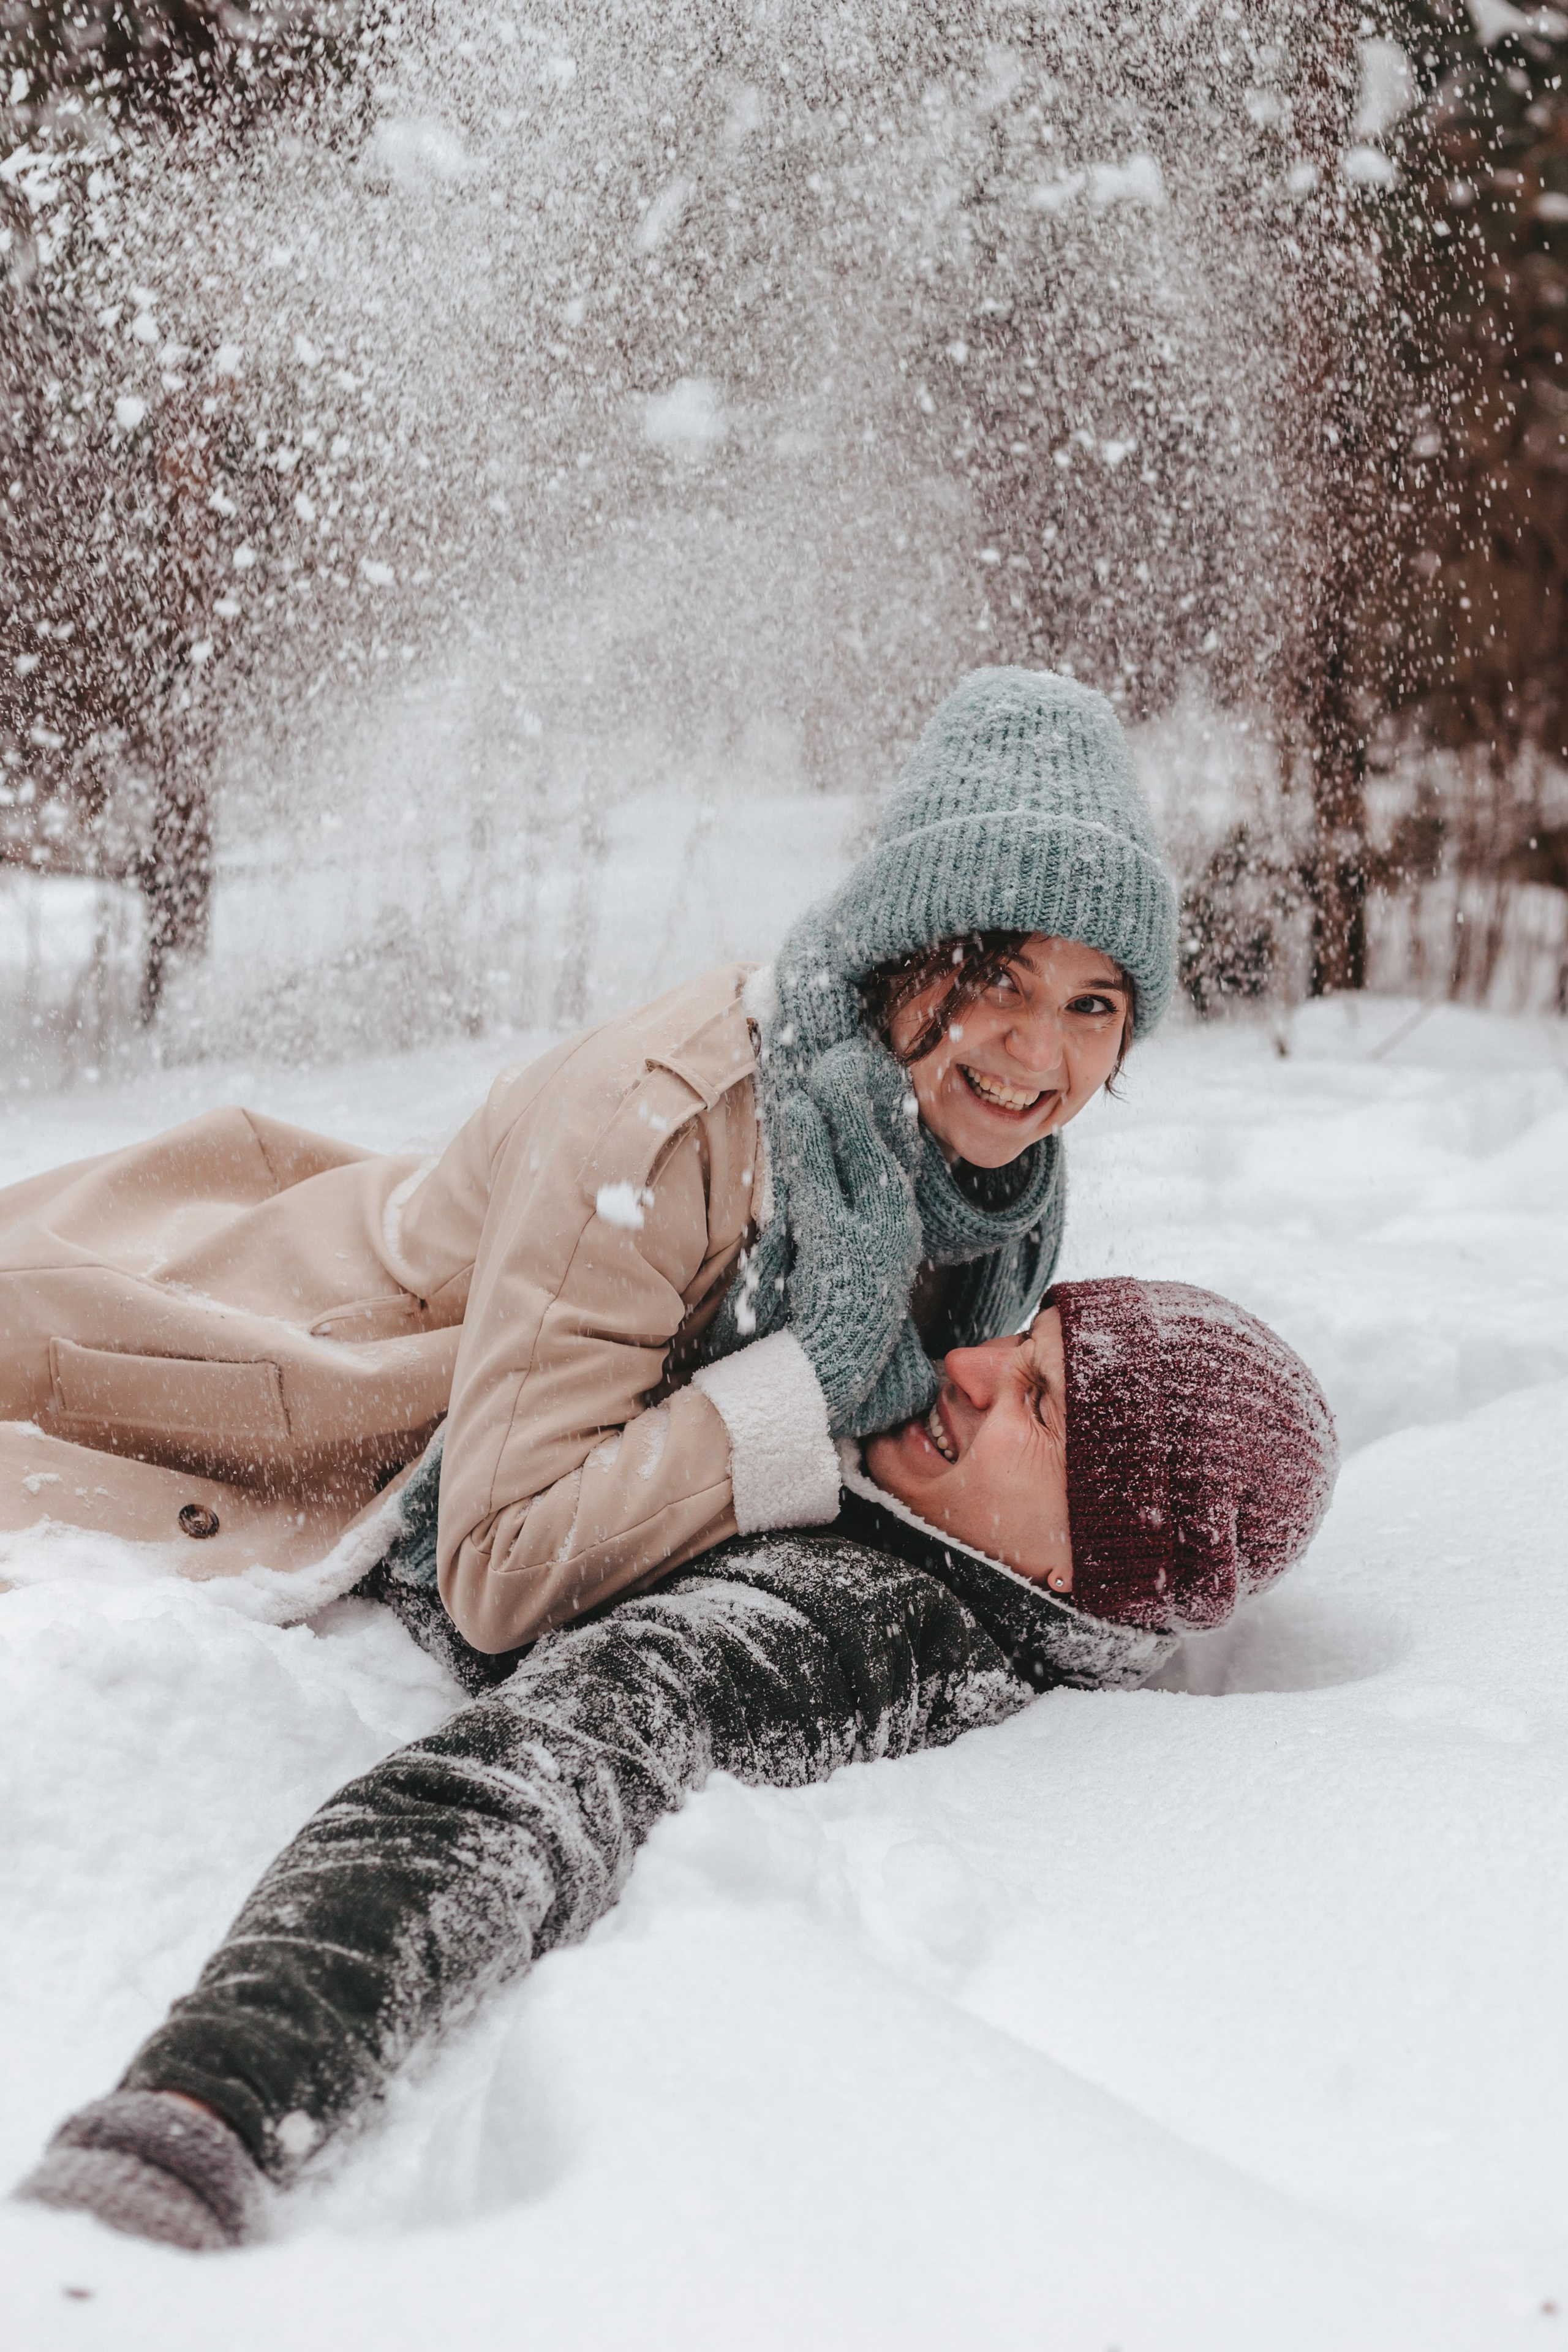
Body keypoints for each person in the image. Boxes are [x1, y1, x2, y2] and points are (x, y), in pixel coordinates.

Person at [15, 1276, 1338, 2251]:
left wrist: (208, 2107)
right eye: (1021, 1338)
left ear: (1090, 1564)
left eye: (1035, 1401)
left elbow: (523, 1788)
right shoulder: (944, 1519)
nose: (969, 1364)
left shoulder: (842, 1624)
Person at [0, 666, 1178, 1653]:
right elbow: (498, 1566)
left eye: (1094, 1003)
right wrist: (808, 1381)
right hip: (297, 1366)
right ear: (902, 954)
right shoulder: (666, 1127)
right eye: (998, 979)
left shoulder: (1001, 1196)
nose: (1041, 1055)